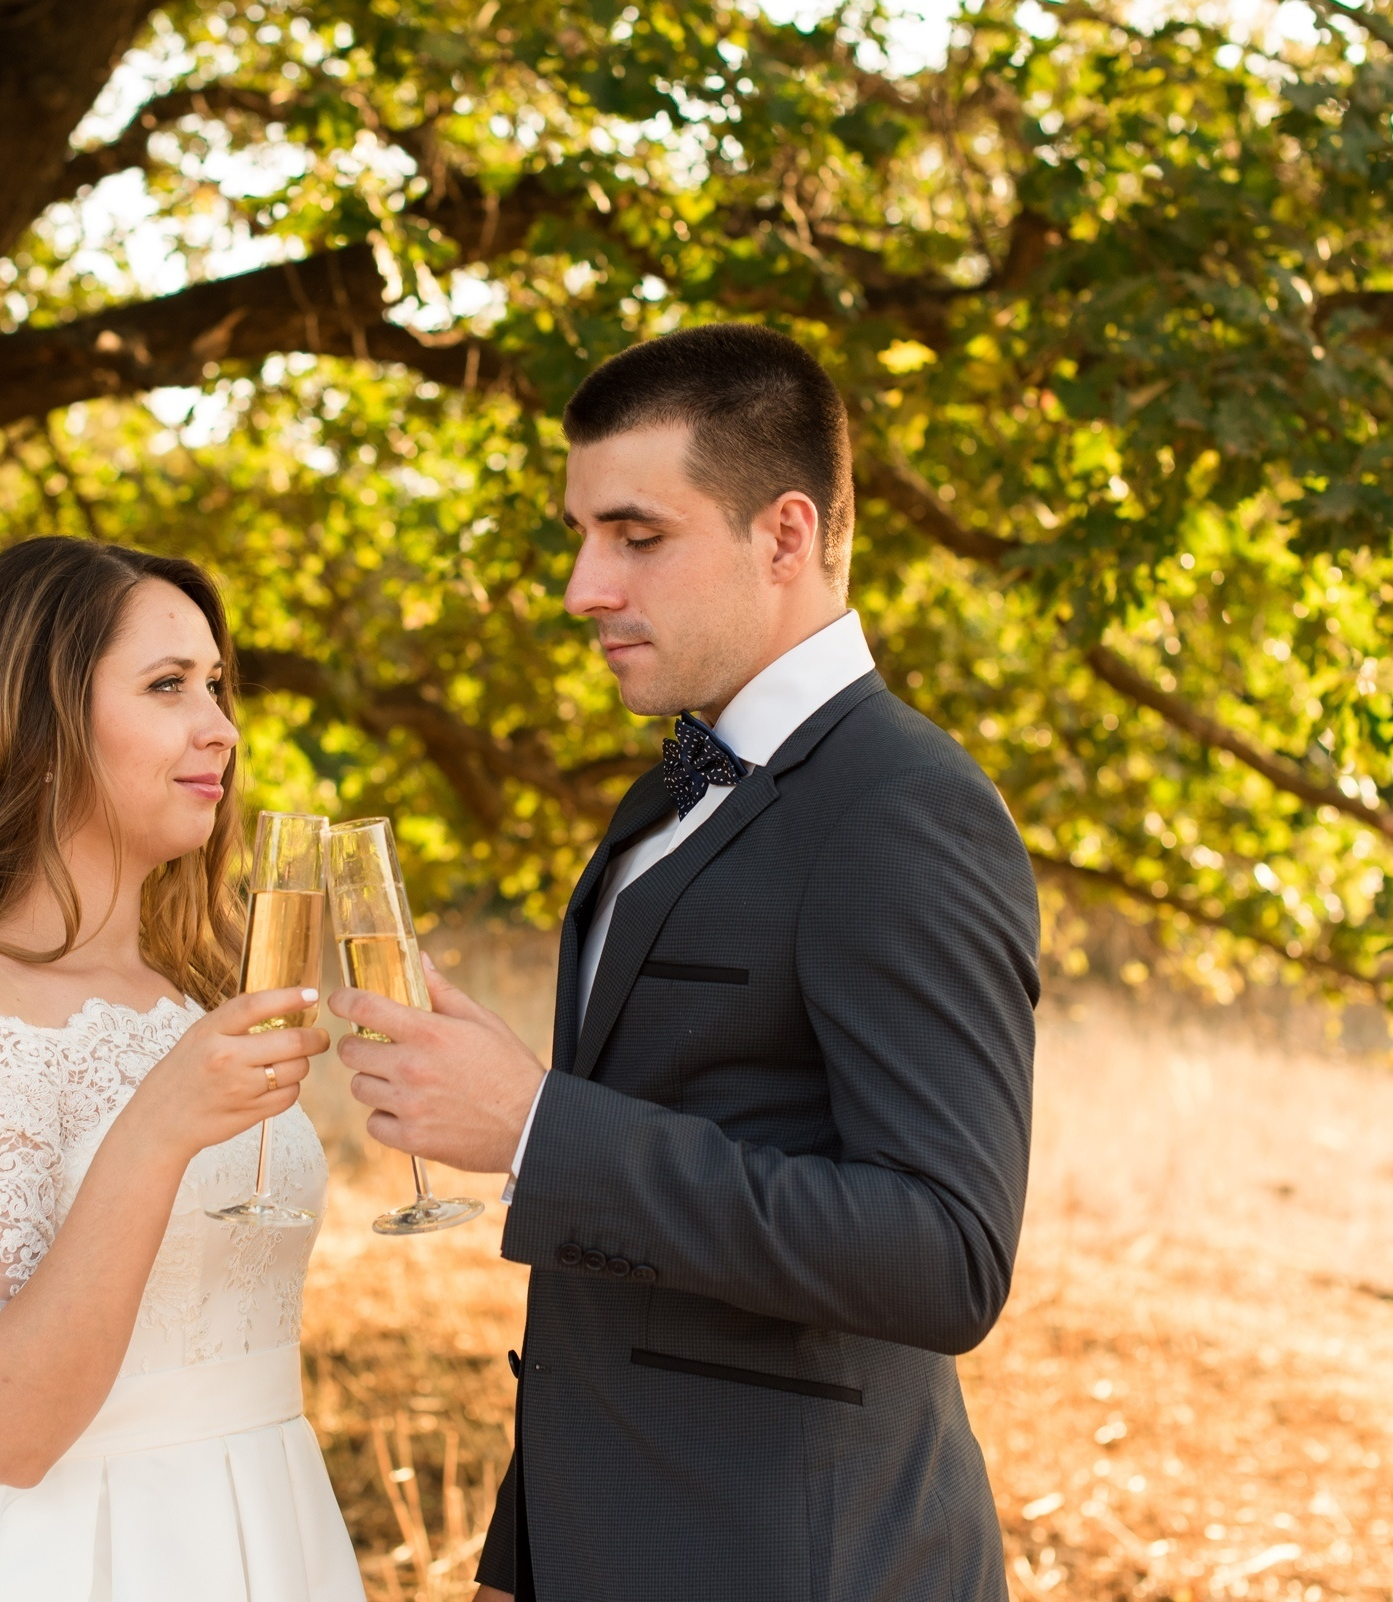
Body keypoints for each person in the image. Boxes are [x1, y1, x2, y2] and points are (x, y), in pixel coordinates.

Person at [331, 325, 1041, 1601]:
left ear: (784, 534)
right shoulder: (673, 780)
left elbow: (946, 1256)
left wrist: (537, 1125)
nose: (582, 588)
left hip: (799, 1559)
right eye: (579, 535)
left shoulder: (903, 807)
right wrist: (524, 1556)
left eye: (636, 536)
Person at [0, 538, 364, 1602]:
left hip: (270, 1530)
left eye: (214, 686)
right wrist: (158, 1129)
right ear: (40, 727)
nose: (220, 725)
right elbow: (10, 1435)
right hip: (73, 1561)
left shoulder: (190, 1002)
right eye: (168, 686)